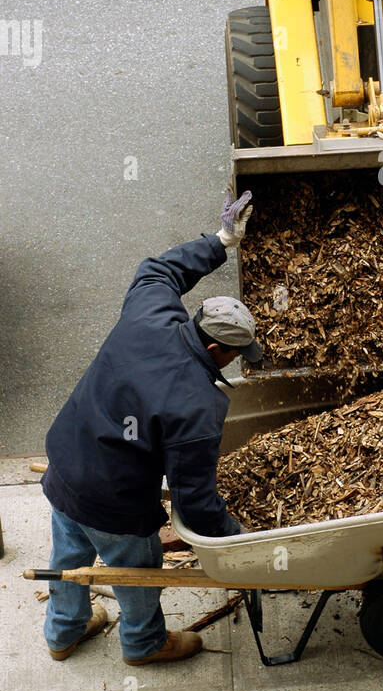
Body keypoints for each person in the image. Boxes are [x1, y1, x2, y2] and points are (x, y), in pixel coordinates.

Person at [41, 191, 260, 667]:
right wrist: (239, 537)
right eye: (239, 355)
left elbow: (161, 270)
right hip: (114, 502)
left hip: (65, 465)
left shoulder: (151, 312)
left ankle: (63, 633)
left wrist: (222, 239)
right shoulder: (200, 406)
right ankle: (143, 643)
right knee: (136, 568)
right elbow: (195, 502)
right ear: (221, 351)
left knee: (68, 555)